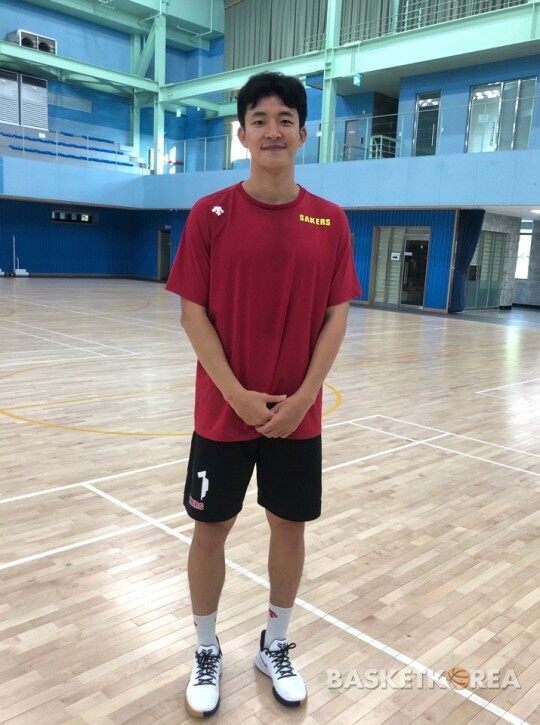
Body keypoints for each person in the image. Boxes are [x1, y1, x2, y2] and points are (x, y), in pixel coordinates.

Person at [165, 71, 361, 718]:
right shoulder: (210, 213)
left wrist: (304, 397)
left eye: (284, 119)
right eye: (259, 119)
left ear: (303, 134)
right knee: (210, 528)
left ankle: (274, 643)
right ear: (242, 134)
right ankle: (206, 648)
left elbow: (337, 315)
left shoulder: (330, 220)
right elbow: (193, 313)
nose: (272, 130)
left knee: (289, 526)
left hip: (297, 415)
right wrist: (238, 396)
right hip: (224, 412)